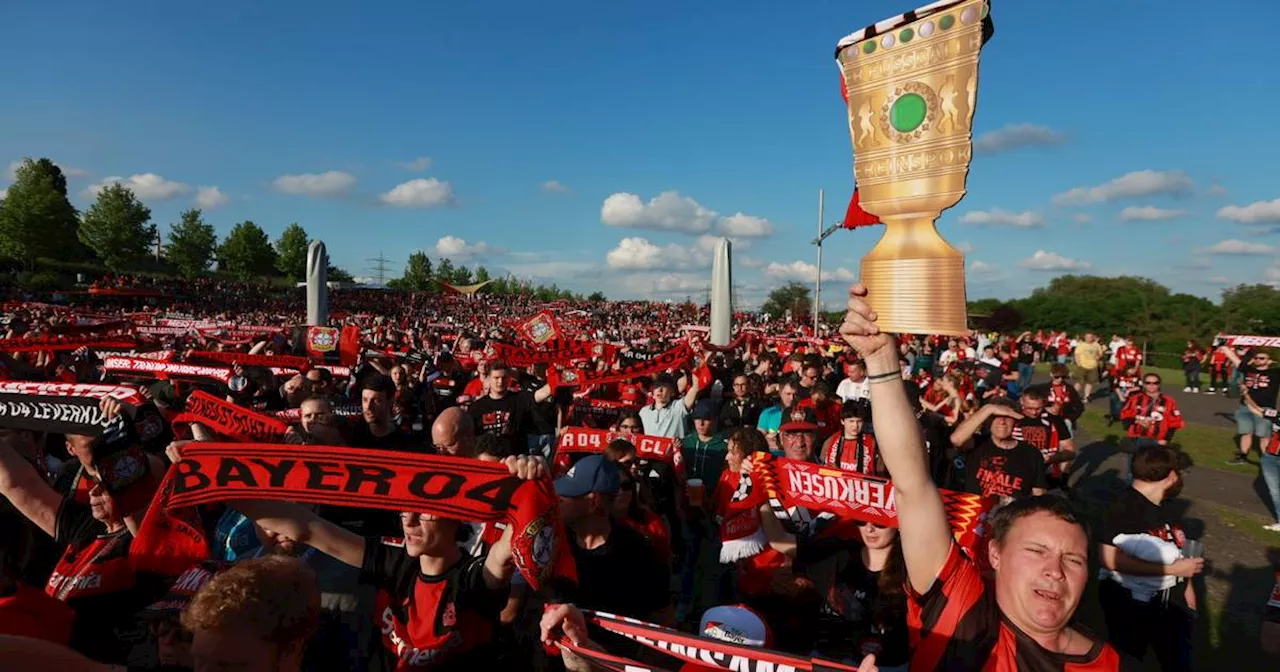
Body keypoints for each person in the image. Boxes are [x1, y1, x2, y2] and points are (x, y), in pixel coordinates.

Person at [836, 282, 1119, 669]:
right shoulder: (960, 612)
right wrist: (883, 360)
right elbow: (913, 486)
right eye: (1036, 551)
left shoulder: (1107, 662)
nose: (1054, 571)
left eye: (1073, 559)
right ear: (995, 554)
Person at [1096, 445, 1202, 671]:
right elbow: (1109, 559)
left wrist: (1188, 591)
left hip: (1172, 605)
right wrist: (1172, 571)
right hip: (1129, 607)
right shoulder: (1120, 508)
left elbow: (1180, 553)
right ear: (1171, 476)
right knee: (1129, 663)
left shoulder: (1169, 508)